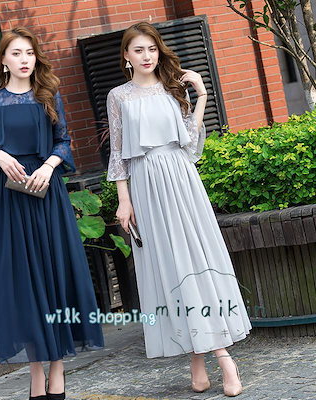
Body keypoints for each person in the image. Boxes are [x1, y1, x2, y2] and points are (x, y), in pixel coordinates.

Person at [106, 21, 252, 397]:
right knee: (168, 267)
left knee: (196, 261)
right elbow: (118, 153)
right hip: (145, 184)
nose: (147, 56)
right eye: (139, 50)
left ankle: (222, 358)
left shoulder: (173, 88)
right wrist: (124, 200)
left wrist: (201, 95)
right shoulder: (118, 96)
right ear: (126, 56)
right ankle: (197, 358)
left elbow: (189, 141)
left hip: (181, 179)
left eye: (152, 49)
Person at [0, 27, 104, 400]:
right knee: (25, 281)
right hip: (12, 200)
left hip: (48, 194)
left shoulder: (48, 95)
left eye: (29, 52)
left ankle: (57, 369)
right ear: (3, 61)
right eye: (16, 53)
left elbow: (64, 141)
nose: (24, 59)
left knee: (55, 273)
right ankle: (35, 372)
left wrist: (49, 165)